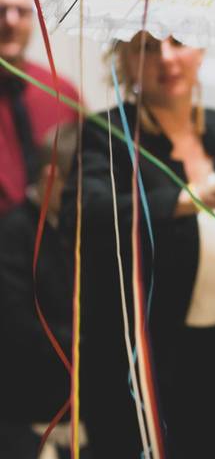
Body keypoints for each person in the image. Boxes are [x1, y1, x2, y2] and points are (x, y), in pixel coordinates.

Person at [61, 32, 215, 458]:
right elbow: (86, 214)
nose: (166, 58)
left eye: (178, 41)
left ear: (201, 49)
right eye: (147, 47)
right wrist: (194, 198)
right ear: (124, 60)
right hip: (146, 358)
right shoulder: (108, 132)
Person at [0, 124, 81, 458]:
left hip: (84, 407)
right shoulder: (13, 234)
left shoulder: (86, 228)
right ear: (52, 177)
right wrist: (89, 343)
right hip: (30, 413)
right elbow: (18, 326)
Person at [0, 0, 78, 217]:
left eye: (21, 11)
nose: (10, 21)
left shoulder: (61, 91)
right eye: (1, 10)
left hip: (56, 238)